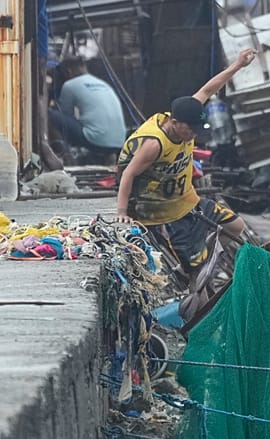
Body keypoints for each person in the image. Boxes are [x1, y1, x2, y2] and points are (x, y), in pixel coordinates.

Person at [115, 48, 256, 275]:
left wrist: (237, 65)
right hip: (162, 212)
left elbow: (208, 89)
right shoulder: (154, 144)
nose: (193, 135)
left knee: (236, 226)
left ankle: (205, 256)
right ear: (175, 122)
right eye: (190, 129)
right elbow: (128, 174)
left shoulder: (188, 112)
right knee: (194, 272)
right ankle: (192, 272)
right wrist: (122, 211)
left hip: (188, 201)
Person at [56, 59, 126, 163]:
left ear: (68, 71)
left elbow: (65, 116)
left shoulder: (69, 85)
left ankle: (64, 156)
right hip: (119, 142)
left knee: (50, 115)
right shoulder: (103, 83)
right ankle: (109, 157)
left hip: (95, 141)